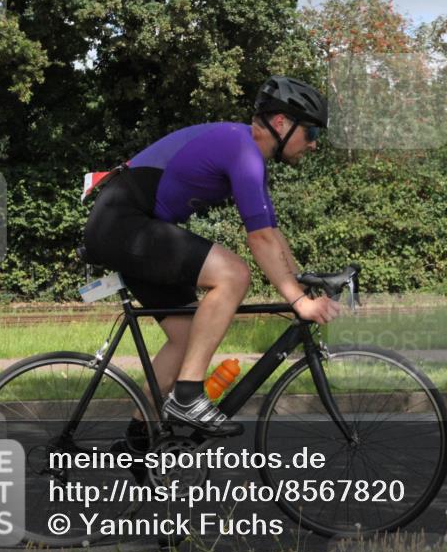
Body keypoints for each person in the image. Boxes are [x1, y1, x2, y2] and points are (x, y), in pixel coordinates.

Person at [83, 76, 341, 444]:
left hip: (133, 227)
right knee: (233, 274)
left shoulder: (249, 155)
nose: (314, 143)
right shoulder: (242, 150)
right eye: (312, 131)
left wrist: (300, 285)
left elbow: (271, 232)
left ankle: (140, 440)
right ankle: (187, 395)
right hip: (123, 223)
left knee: (188, 338)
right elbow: (261, 239)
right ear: (281, 123)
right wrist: (299, 302)